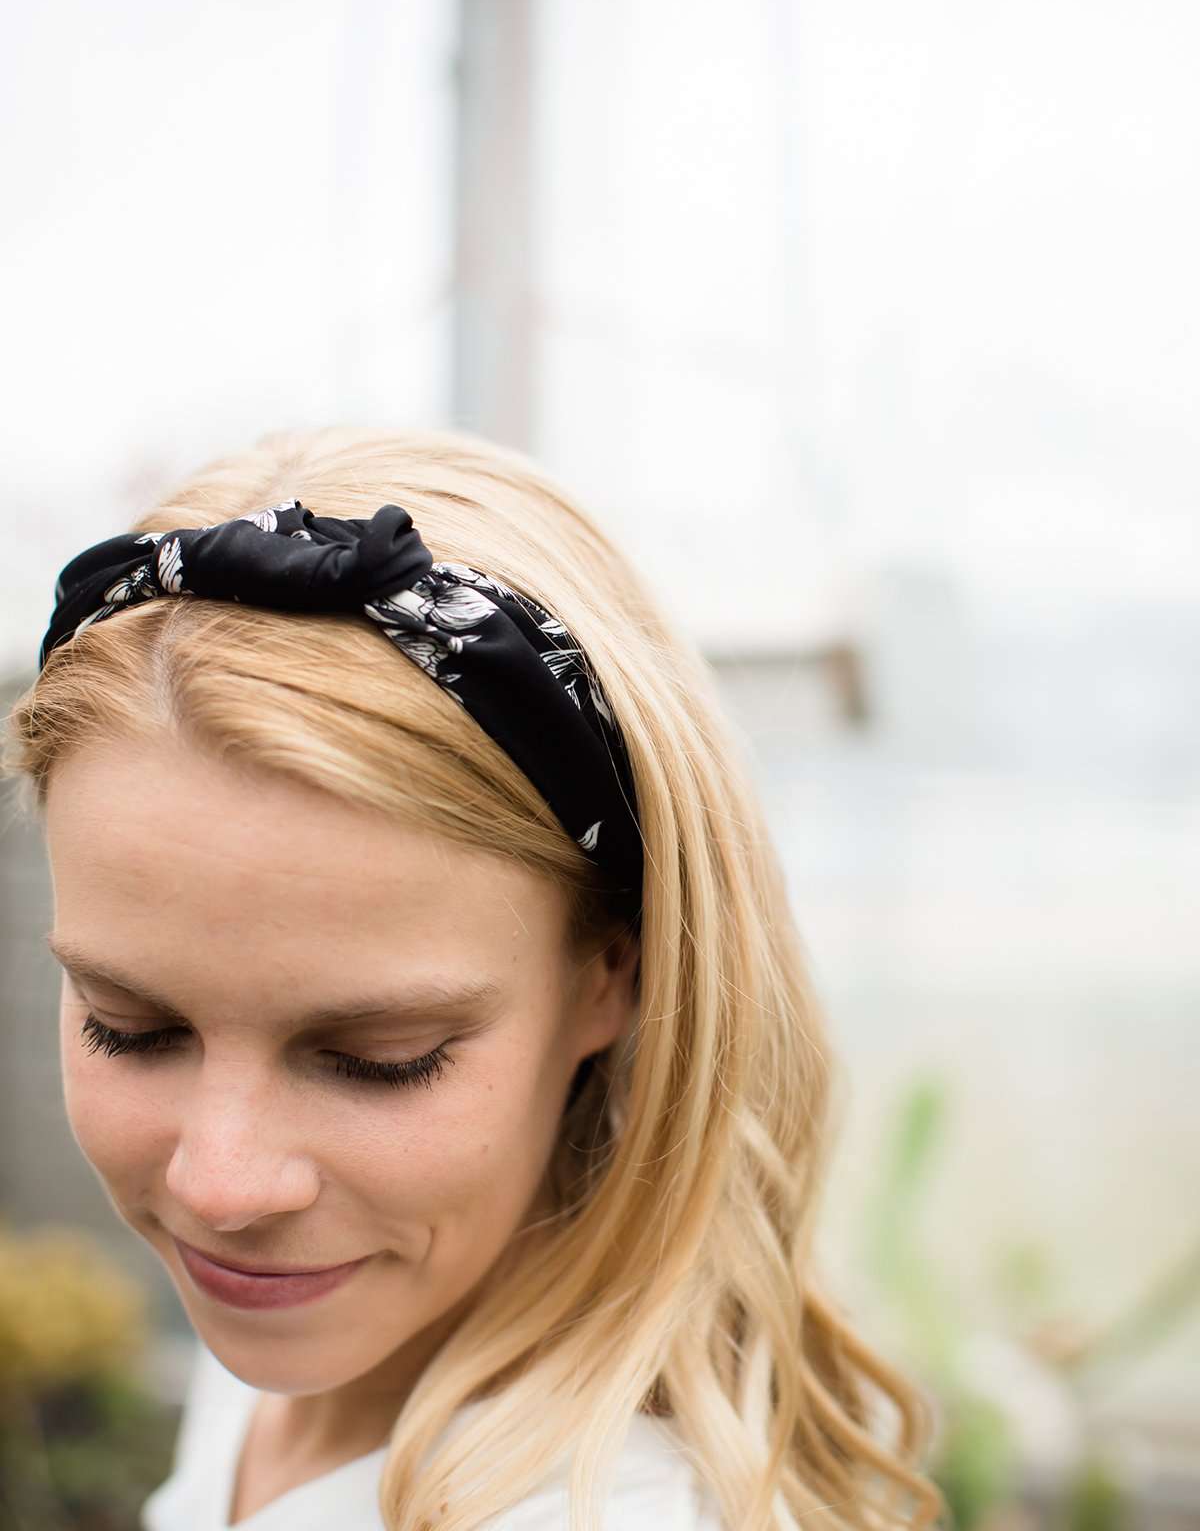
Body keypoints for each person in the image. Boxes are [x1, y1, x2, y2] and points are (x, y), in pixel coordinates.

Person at [4, 425, 945, 1531]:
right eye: (130, 1027)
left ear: (615, 972)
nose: (220, 1187)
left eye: (377, 1060)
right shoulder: (325, 1335)